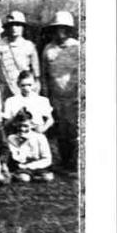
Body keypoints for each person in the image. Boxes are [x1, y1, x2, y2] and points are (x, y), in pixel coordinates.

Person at [41, 10, 79, 169]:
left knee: (75, 130)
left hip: (74, 96)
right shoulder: (48, 49)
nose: (60, 32)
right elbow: (44, 74)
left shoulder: (77, 48)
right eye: (57, 28)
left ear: (69, 29)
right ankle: (64, 161)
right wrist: (45, 95)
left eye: (63, 28)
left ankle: (78, 163)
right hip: (56, 97)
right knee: (61, 130)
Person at [0, 11, 40, 99]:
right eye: (11, 25)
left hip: (24, 89)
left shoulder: (29, 46)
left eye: (18, 25)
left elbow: (36, 73)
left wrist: (35, 91)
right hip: (4, 89)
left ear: (23, 27)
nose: (14, 28)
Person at [5, 113, 54, 183]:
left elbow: (47, 159)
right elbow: (18, 158)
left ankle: (34, 177)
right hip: (22, 165)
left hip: (37, 164)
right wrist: (21, 143)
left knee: (48, 178)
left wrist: (31, 166)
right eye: (19, 126)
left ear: (32, 125)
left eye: (25, 126)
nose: (22, 129)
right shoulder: (12, 138)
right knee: (24, 178)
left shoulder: (40, 137)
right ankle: (21, 176)